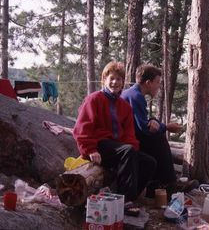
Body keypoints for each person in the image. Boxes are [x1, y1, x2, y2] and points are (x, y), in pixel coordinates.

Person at [73, 62, 156, 202]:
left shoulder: (125, 107)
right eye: (111, 78)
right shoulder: (93, 99)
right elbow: (81, 128)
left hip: (118, 149)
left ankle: (131, 196)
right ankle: (124, 201)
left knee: (149, 162)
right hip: (99, 147)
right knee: (128, 151)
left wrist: (134, 154)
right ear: (104, 80)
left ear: (123, 82)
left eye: (118, 79)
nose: (114, 82)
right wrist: (90, 149)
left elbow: (129, 135)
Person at [121, 64, 198, 194]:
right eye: (157, 82)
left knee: (156, 137)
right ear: (148, 83)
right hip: (124, 141)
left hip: (127, 137)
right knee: (158, 138)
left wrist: (154, 121)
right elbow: (144, 129)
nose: (159, 86)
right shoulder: (136, 96)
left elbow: (141, 122)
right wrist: (166, 127)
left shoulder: (131, 93)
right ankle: (170, 183)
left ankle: (155, 187)